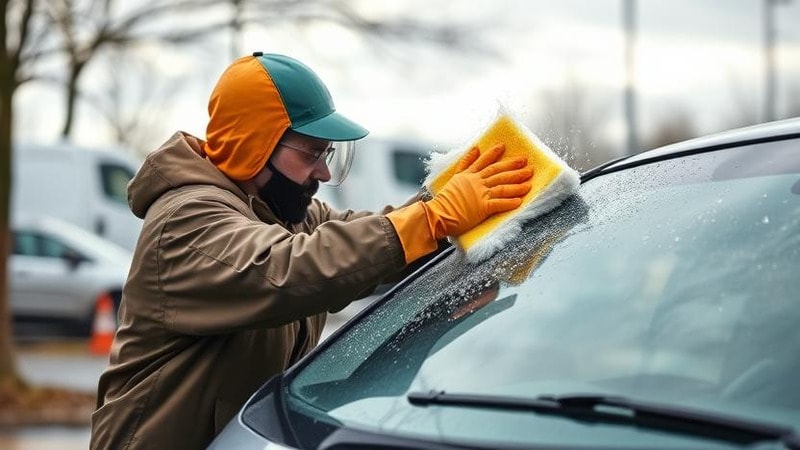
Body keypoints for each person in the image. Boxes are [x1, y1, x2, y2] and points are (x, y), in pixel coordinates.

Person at [90, 52, 533, 449]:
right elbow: (288, 268)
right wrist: (434, 217)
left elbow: (363, 238)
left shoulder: (283, 211)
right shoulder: (185, 221)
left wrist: (451, 212)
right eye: (311, 153)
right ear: (253, 146)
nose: (321, 171)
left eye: (328, 154)